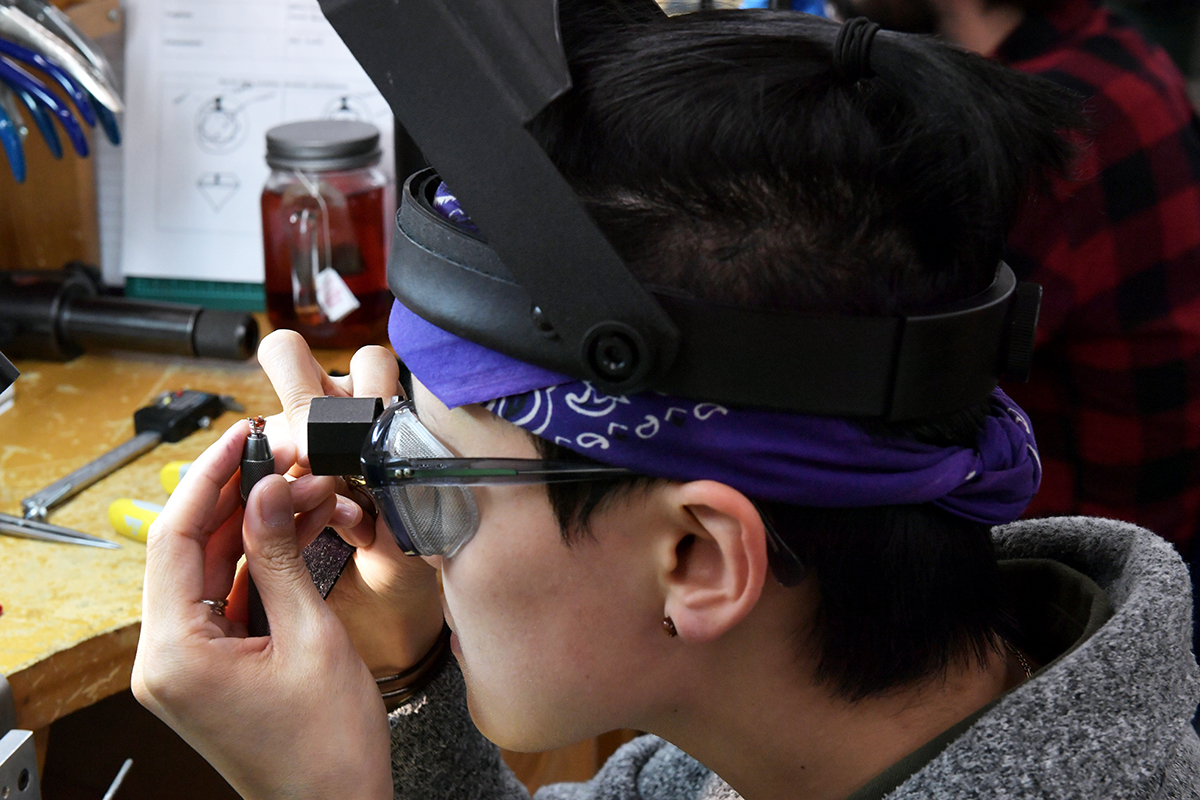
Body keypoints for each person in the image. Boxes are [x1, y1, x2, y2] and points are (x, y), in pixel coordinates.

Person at [131, 6, 1200, 800]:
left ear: (696, 556)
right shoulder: (751, 747)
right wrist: (404, 676)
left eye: (429, 473)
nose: (386, 517)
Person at [831, 0, 1200, 570]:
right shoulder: (1107, 47)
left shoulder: (1025, 128)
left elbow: (873, 388)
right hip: (1159, 528)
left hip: (1084, 574)